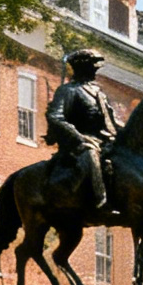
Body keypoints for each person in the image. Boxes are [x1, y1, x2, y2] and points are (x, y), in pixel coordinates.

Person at [45, 48, 121, 211]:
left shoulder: (98, 92)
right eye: (92, 68)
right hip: (77, 142)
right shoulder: (67, 91)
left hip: (103, 139)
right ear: (82, 68)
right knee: (91, 153)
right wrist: (79, 137)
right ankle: (101, 201)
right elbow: (55, 116)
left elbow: (112, 121)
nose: (95, 71)